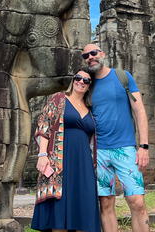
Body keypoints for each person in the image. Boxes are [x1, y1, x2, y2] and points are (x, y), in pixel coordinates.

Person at [84, 44, 150, 232]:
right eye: (86, 55)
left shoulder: (123, 77)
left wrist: (143, 146)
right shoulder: (87, 83)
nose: (90, 57)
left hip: (125, 148)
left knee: (137, 201)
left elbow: (140, 111)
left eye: (94, 53)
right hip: (98, 152)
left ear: (102, 54)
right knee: (105, 204)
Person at [31, 69, 101, 232]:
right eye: (78, 78)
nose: (81, 82)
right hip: (60, 161)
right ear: (73, 80)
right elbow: (44, 125)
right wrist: (42, 155)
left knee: (85, 208)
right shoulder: (59, 99)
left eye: (86, 80)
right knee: (59, 213)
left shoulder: (91, 108)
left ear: (89, 86)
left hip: (84, 164)